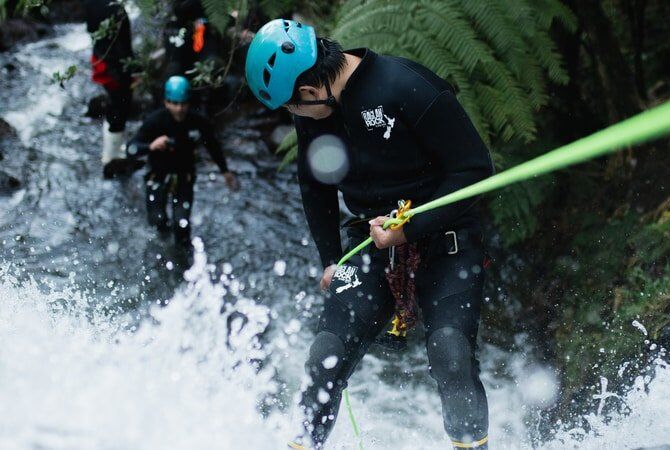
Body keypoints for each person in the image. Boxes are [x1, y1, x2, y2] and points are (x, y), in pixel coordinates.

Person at [245, 19, 494, 450]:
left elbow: (474, 170)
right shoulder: (316, 114)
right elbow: (316, 184)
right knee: (325, 357)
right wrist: (330, 258)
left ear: (308, 92)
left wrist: (410, 228)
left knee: (450, 353)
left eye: (291, 108)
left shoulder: (407, 87)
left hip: (447, 240)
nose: (293, 117)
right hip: (372, 245)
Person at [127, 76, 238, 248]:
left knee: (182, 224)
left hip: (183, 177)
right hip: (158, 176)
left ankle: (183, 258)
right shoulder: (155, 121)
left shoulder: (198, 122)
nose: (179, 109)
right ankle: (162, 251)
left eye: (183, 103)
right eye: (175, 103)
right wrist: (151, 146)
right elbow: (131, 148)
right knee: (157, 220)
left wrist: (225, 171)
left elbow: (213, 146)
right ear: (166, 102)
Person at [82, 0, 135, 178]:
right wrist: (130, 71)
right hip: (114, 68)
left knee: (116, 107)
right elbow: (123, 47)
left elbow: (91, 30)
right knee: (120, 109)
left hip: (102, 61)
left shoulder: (92, 4)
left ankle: (112, 154)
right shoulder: (114, 9)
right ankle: (113, 159)